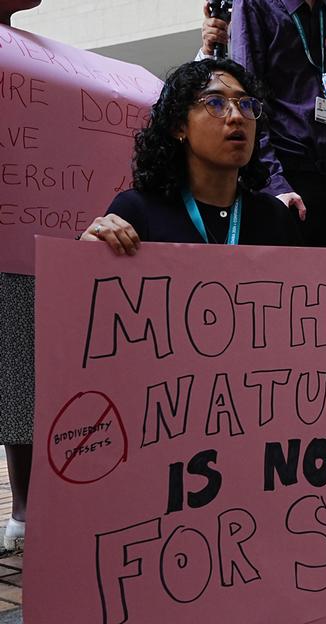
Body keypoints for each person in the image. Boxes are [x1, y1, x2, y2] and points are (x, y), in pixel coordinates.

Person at [80, 58, 326, 259]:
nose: (236, 117)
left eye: (246, 105)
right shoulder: (138, 211)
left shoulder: (275, 218)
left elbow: (303, 306)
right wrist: (87, 252)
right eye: (215, 103)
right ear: (178, 126)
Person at [199, 0, 326, 249]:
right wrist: (274, 184)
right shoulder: (255, 6)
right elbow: (249, 103)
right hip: (286, 178)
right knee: (287, 282)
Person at [0, 0, 43, 554]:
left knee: (25, 376)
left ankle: (32, 506)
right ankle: (26, 507)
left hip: (33, 243)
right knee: (17, 376)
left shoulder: (37, 60)